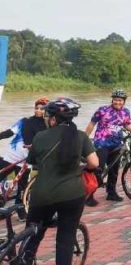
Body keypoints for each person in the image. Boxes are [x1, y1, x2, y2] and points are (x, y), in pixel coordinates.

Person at [22, 97, 99, 265]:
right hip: (72, 195)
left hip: (42, 195)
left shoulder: (40, 137)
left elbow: (32, 161)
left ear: (54, 119)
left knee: (32, 236)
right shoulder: (80, 136)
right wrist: (81, 166)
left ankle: (24, 260)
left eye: (48, 116)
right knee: (65, 239)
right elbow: (94, 163)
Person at [85, 89, 131, 206]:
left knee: (114, 169)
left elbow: (126, 125)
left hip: (117, 143)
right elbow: (92, 124)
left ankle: (111, 193)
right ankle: (89, 196)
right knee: (98, 168)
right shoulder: (102, 110)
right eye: (116, 100)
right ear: (112, 100)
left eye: (120, 100)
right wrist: (84, 138)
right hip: (102, 143)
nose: (118, 102)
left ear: (124, 101)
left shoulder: (126, 112)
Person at [0, 97, 49, 218]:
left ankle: (20, 211)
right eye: (36, 108)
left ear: (47, 111)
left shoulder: (49, 126)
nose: (38, 111)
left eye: (42, 109)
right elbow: (9, 132)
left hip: (27, 161)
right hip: (11, 156)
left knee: (22, 187)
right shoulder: (24, 121)